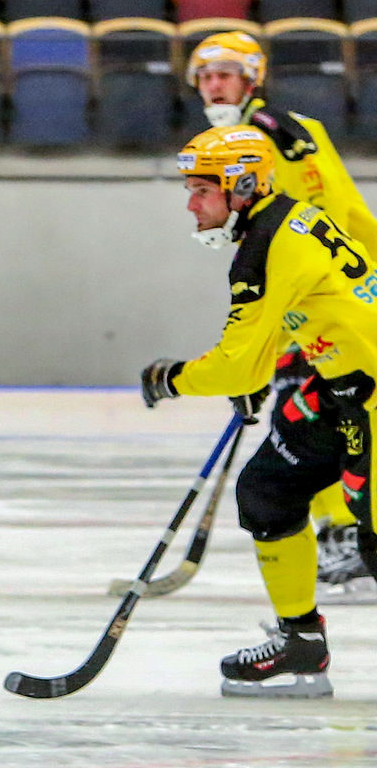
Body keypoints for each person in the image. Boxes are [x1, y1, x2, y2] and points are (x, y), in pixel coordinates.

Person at [140, 125, 377, 698]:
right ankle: (301, 644)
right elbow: (310, 308)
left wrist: (170, 379)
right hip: (345, 386)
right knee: (269, 489)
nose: (191, 205)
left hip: (367, 395)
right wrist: (265, 362)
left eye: (202, 191)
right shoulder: (288, 217)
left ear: (242, 188)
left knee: (372, 539)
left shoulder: (262, 249)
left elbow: (235, 368)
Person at [188, 29, 377, 601]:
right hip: (317, 298)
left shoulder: (273, 137)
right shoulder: (246, 138)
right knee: (308, 426)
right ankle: (341, 533)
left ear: (252, 79)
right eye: (205, 75)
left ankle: (344, 532)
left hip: (329, 304)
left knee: (326, 418)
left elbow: (329, 215)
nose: (214, 84)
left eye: (226, 74)